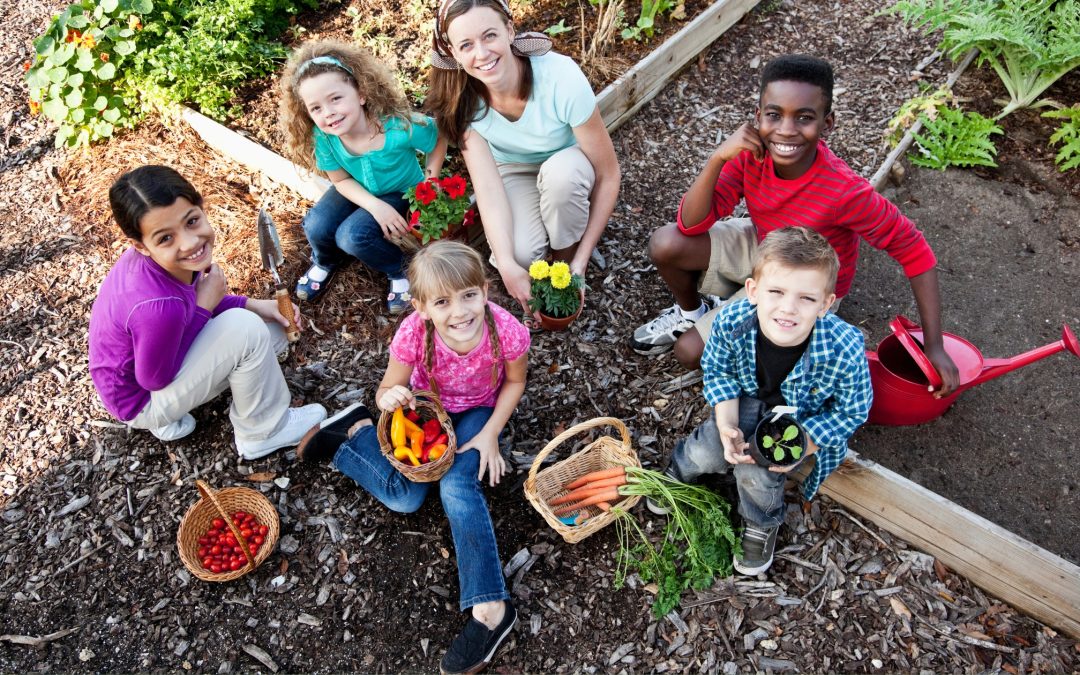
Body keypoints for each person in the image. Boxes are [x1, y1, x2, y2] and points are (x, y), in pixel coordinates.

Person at [630, 54, 959, 397]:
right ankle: (692, 312)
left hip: (805, 277)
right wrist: (717, 159)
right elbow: (690, 224)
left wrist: (933, 345)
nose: (786, 129)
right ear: (757, 118)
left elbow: (914, 250)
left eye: (804, 118)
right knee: (666, 243)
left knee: (690, 353)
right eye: (774, 115)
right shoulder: (749, 156)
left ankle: (772, 355)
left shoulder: (844, 192)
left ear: (826, 124)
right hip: (765, 245)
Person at [296, 241, 529, 674]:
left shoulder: (506, 330)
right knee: (406, 499)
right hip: (425, 410)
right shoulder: (412, 334)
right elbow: (387, 391)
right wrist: (390, 399)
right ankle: (354, 437)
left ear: (485, 290)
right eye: (443, 302)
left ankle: (492, 609)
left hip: (479, 411)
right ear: (422, 307)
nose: (459, 312)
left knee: (457, 483)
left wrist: (493, 433)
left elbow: (514, 382)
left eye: (469, 295)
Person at [654, 227, 872, 576]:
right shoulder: (730, 321)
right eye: (776, 291)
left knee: (759, 473)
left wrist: (803, 445)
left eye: (806, 298)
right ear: (753, 291)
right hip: (745, 400)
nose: (788, 308)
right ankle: (680, 470)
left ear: (826, 304)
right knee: (707, 449)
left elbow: (853, 409)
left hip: (800, 418)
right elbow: (720, 373)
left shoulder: (844, 347)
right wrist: (726, 424)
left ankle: (760, 522)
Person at [88, 165, 327, 459]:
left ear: (201, 206)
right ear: (140, 245)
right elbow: (155, 379)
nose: (189, 242)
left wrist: (253, 304)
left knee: (272, 329)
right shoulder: (158, 308)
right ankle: (264, 432)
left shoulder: (160, 264)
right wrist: (206, 307)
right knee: (247, 331)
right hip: (143, 400)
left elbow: (191, 306)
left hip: (130, 379)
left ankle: (171, 419)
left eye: (191, 221)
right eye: (166, 238)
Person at [426, 0, 621, 319]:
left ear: (510, 31)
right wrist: (505, 264)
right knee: (519, 255)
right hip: (514, 171)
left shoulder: (560, 78)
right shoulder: (460, 101)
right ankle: (548, 240)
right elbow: (488, 190)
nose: (482, 53)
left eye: (489, 36)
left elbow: (609, 174)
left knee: (561, 179)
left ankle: (564, 255)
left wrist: (579, 262)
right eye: (466, 45)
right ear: (454, 53)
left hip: (568, 163)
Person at [279, 40, 448, 312]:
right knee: (316, 224)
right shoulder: (323, 137)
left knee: (353, 236)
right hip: (356, 188)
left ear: (361, 93)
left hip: (400, 190)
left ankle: (400, 270)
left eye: (335, 98)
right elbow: (341, 180)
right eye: (316, 108)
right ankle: (325, 260)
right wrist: (373, 205)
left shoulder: (396, 126)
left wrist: (431, 179)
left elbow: (438, 136)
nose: (329, 113)